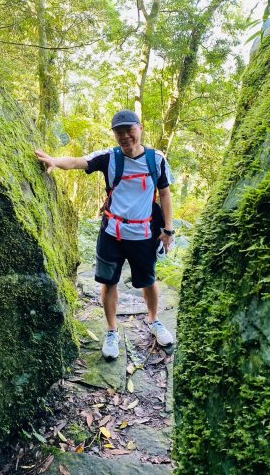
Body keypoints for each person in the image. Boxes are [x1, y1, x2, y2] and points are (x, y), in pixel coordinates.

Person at [35, 109, 175, 360]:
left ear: (140, 128)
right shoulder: (110, 158)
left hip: (143, 234)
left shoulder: (157, 160)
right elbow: (79, 162)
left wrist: (168, 230)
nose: (125, 137)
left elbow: (164, 194)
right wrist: (55, 161)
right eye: (119, 132)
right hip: (112, 233)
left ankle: (154, 321)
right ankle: (112, 331)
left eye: (129, 130)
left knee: (149, 280)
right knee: (109, 281)